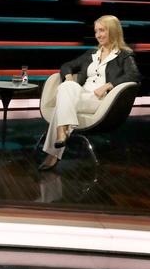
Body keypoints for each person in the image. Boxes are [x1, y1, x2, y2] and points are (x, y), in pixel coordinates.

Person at [38, 14, 141, 171]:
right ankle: (61, 134)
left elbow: (134, 75)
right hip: (80, 94)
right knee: (66, 87)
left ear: (113, 31)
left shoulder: (124, 55)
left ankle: (55, 150)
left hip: (100, 100)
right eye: (96, 31)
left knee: (62, 101)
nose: (98, 35)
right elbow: (67, 66)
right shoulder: (92, 53)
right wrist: (69, 79)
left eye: (102, 30)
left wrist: (108, 85)